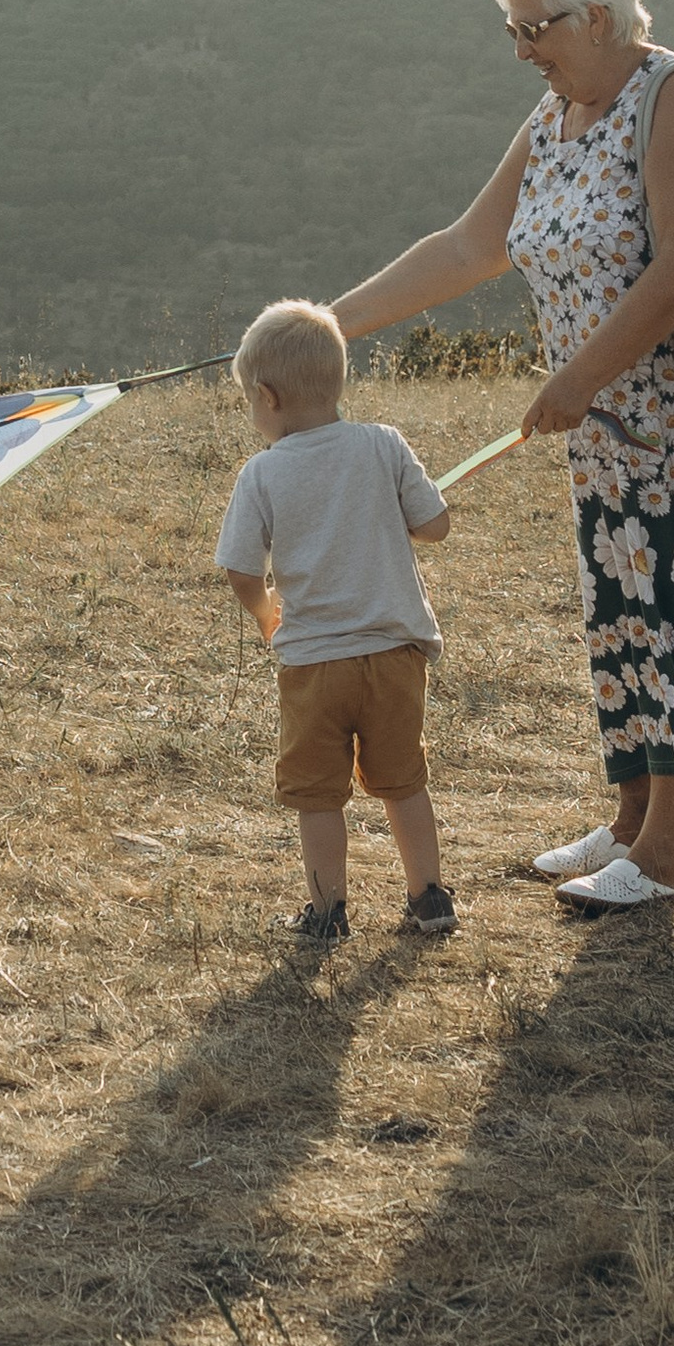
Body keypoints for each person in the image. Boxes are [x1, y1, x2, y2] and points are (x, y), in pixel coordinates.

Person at [327, 0, 674, 915]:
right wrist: (327, 324)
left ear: (596, 17)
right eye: (512, 32)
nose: (521, 52)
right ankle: (629, 817)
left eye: (532, 29)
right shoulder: (555, 115)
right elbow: (470, 248)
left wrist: (579, 377)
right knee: (621, 613)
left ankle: (663, 855)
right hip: (604, 432)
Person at [213, 298, 458, 946]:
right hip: (395, 656)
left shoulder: (262, 473)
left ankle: (327, 914)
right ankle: (429, 899)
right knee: (403, 780)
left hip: (314, 664)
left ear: (266, 397)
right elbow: (435, 525)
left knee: (318, 796)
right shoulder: (382, 444)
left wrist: (268, 615)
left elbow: (241, 571)